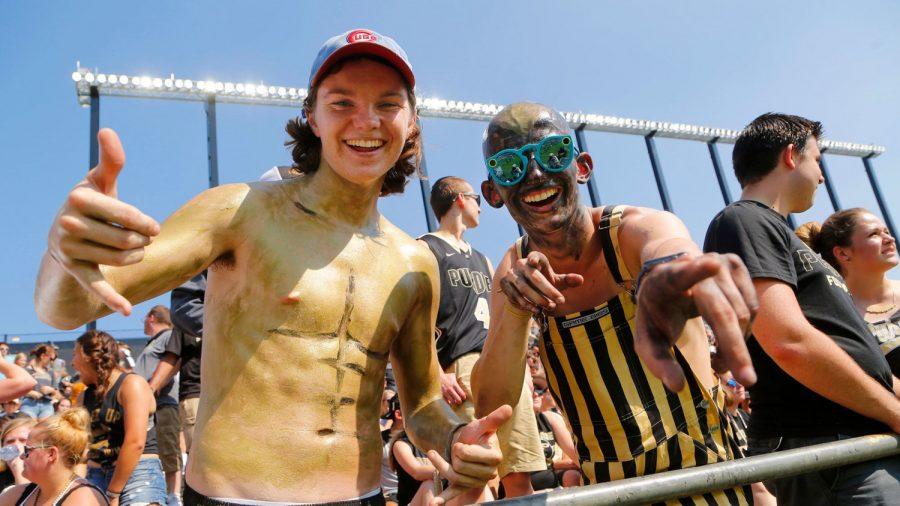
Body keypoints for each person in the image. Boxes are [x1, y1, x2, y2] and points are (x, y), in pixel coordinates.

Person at [35, 28, 509, 504]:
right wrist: (63, 254)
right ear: (312, 117)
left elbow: (423, 404)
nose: (367, 120)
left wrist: (454, 437)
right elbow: (68, 308)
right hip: (230, 497)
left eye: (387, 104)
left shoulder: (416, 262)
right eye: (342, 103)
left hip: (360, 496)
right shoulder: (239, 212)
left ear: (411, 122)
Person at [472, 102, 758, 504]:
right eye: (509, 167)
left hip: (708, 482)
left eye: (552, 153)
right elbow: (491, 405)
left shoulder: (632, 230)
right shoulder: (513, 268)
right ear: (493, 193)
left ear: (582, 166)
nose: (534, 174)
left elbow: (667, 244)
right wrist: (517, 311)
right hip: (612, 493)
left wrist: (664, 274)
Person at [704, 113, 900, 504]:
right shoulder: (742, 220)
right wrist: (894, 413)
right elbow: (788, 341)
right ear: (791, 156)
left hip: (856, 438)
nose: (822, 177)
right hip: (826, 442)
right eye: (818, 160)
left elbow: (852, 346)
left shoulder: (776, 232)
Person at [420, 176, 544, 497]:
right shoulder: (425, 247)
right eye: (476, 198)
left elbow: (502, 317)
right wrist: (436, 372)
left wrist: (522, 369)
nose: (481, 206)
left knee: (519, 473)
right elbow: (414, 318)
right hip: (461, 365)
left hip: (500, 361)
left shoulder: (483, 259)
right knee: (474, 481)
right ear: (460, 199)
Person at [797, 209, 900, 375]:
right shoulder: (835, 319)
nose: (889, 239)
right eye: (874, 234)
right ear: (843, 253)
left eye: (886, 232)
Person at [73, 330, 166, 506]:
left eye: (74, 354)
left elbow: (135, 442)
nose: (72, 363)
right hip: (95, 474)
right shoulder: (83, 397)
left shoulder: (132, 384)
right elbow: (80, 449)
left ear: (88, 357)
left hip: (138, 472)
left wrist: (113, 493)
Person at [148, 273, 203, 463]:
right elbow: (172, 358)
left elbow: (171, 359)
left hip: (212, 395)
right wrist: (150, 389)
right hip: (199, 394)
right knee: (202, 457)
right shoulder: (188, 318)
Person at [0, 408, 107, 505]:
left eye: (27, 450)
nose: (22, 456)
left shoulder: (83, 500)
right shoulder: (16, 494)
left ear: (51, 454)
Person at [133, 306, 181, 503]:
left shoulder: (168, 336)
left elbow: (174, 360)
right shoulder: (155, 341)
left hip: (163, 402)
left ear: (151, 318)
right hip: (149, 403)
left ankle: (174, 495)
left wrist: (156, 385)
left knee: (169, 449)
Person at [526, 375, 580, 491]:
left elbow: (576, 456)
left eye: (538, 389)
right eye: (529, 391)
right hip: (524, 482)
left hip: (549, 476)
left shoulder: (549, 418)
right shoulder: (512, 422)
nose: (536, 394)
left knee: (573, 476)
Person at [21, 346, 60, 421]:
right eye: (51, 359)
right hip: (29, 404)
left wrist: (51, 390)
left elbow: (57, 393)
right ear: (43, 356)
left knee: (45, 428)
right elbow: (18, 390)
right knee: (28, 427)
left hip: (47, 405)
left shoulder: (51, 372)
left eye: (54, 359)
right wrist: (30, 392)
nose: (52, 362)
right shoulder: (28, 370)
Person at [0, 418, 37, 491]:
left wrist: (18, 469)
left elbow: (27, 497)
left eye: (23, 440)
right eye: (10, 441)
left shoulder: (45, 475)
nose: (16, 445)